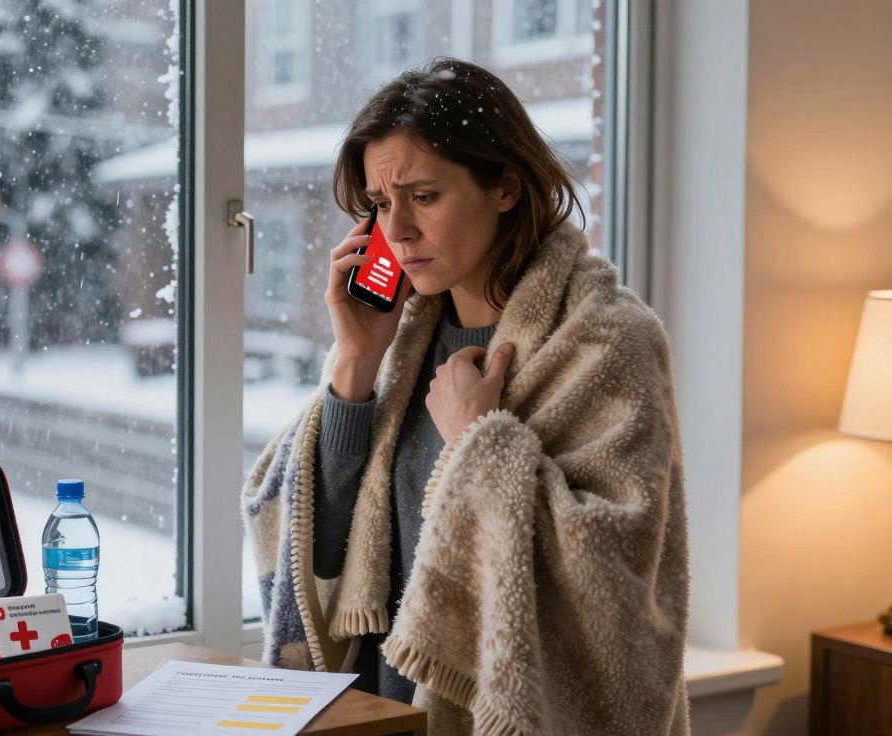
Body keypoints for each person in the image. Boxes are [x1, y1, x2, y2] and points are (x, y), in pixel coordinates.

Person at [242, 57, 691, 736]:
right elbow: (319, 552)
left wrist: (478, 441)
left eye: (423, 196)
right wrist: (357, 362)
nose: (396, 232)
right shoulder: (396, 346)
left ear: (505, 186)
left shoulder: (608, 341)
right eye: (380, 204)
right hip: (381, 713)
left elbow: (614, 587)